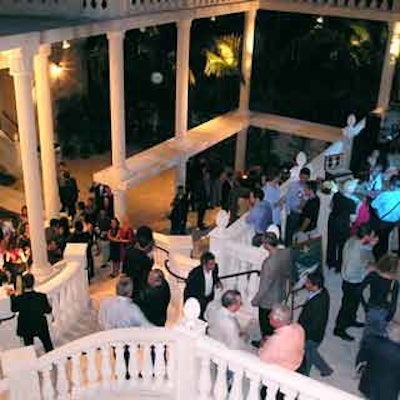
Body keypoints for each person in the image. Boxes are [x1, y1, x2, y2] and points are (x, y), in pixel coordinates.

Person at [334, 225, 377, 342]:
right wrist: (368, 270)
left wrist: (370, 246)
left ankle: (351, 320)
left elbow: (364, 250)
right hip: (352, 283)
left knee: (354, 303)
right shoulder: (356, 253)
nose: (374, 236)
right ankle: (339, 329)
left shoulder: (354, 240)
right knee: (347, 306)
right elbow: (349, 273)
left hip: (354, 281)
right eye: (372, 234)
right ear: (367, 236)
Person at [252, 232, 291, 336]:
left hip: (268, 301)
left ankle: (265, 343)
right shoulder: (285, 253)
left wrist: (256, 300)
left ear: (266, 245)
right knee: (274, 325)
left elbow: (264, 287)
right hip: (280, 294)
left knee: (266, 326)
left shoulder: (268, 263)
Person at [298, 272, 333, 377]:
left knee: (307, 357)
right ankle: (326, 370)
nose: (306, 284)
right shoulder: (323, 292)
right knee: (312, 353)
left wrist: (302, 334)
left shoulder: (318, 303)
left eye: (308, 282)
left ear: (315, 286)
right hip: (315, 335)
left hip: (311, 336)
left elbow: (315, 325)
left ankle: (305, 377)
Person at [8, 273, 53, 352]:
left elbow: (14, 309)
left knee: (29, 349)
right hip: (40, 326)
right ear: (33, 282)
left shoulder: (19, 299)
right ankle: (54, 360)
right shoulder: (41, 296)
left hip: (26, 327)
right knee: (48, 345)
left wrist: (12, 296)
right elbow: (48, 310)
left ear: (23, 284)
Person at [357, 317, 400, 400]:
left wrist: (359, 371)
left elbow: (361, 360)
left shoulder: (372, 341)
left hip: (367, 388)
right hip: (389, 394)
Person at [360, 254, 399, 337]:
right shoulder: (395, 282)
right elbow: (393, 302)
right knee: (378, 334)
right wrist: (390, 315)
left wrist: (365, 306)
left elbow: (359, 290)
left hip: (371, 306)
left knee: (369, 331)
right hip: (385, 310)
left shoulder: (373, 275)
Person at [259, 304, 305, 371]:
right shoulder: (299, 328)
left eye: (271, 316)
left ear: (277, 320)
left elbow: (263, 358)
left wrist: (262, 345)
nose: (268, 316)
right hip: (299, 364)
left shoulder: (276, 340)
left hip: (284, 372)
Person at [326, 179, 358, 273]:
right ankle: (339, 266)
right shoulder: (352, 202)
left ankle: (330, 262)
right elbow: (353, 219)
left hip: (332, 221)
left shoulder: (337, 195)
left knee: (331, 242)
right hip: (343, 225)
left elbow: (330, 206)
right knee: (342, 246)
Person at [183, 251, 222, 320]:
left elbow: (215, 276)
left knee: (207, 316)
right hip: (199, 300)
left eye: (213, 263)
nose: (213, 266)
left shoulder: (215, 267)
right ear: (204, 264)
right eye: (211, 264)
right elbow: (188, 290)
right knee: (199, 319)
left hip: (209, 298)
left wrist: (218, 282)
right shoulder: (195, 273)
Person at [370, 175, 400, 260]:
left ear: (392, 185)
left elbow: (373, 205)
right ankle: (383, 257)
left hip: (381, 221)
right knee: (385, 238)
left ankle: (378, 258)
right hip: (393, 222)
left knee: (379, 239)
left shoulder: (386, 195)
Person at [123, 226, 154, 298]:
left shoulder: (129, 250)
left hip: (130, 285)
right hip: (140, 288)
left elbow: (124, 268)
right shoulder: (146, 258)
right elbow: (148, 267)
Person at [284, 167, 310, 246]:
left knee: (299, 236)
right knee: (289, 235)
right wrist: (288, 211)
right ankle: (287, 252)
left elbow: (307, 200)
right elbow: (288, 198)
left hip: (304, 215)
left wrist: (305, 196)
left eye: (306, 178)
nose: (303, 180)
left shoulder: (308, 187)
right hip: (293, 213)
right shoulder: (293, 185)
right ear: (299, 175)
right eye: (302, 177)